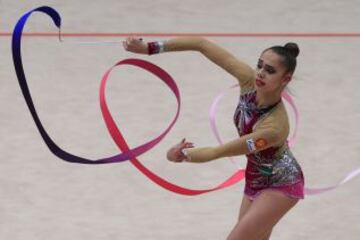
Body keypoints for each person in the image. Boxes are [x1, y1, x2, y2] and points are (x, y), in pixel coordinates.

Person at [123, 37, 304, 240]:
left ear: (286, 79)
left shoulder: (274, 128)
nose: (260, 73)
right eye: (260, 65)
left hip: (282, 182)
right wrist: (150, 48)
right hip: (255, 177)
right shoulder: (249, 81)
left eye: (270, 70)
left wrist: (183, 154)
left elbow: (220, 151)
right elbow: (201, 44)